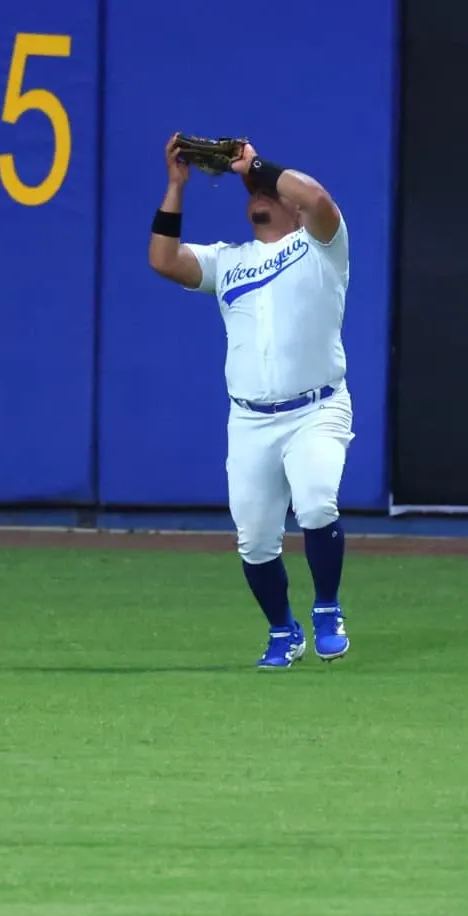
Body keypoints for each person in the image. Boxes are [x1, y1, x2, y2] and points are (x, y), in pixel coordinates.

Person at [147, 133, 353, 669]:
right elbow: (164, 259)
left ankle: (327, 608)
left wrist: (256, 165)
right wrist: (176, 186)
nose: (257, 194)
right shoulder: (228, 261)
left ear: (293, 207)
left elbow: (320, 200)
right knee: (256, 541)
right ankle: (283, 630)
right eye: (252, 190)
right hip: (251, 421)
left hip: (317, 409)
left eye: (268, 190)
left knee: (315, 502)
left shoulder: (323, 246)